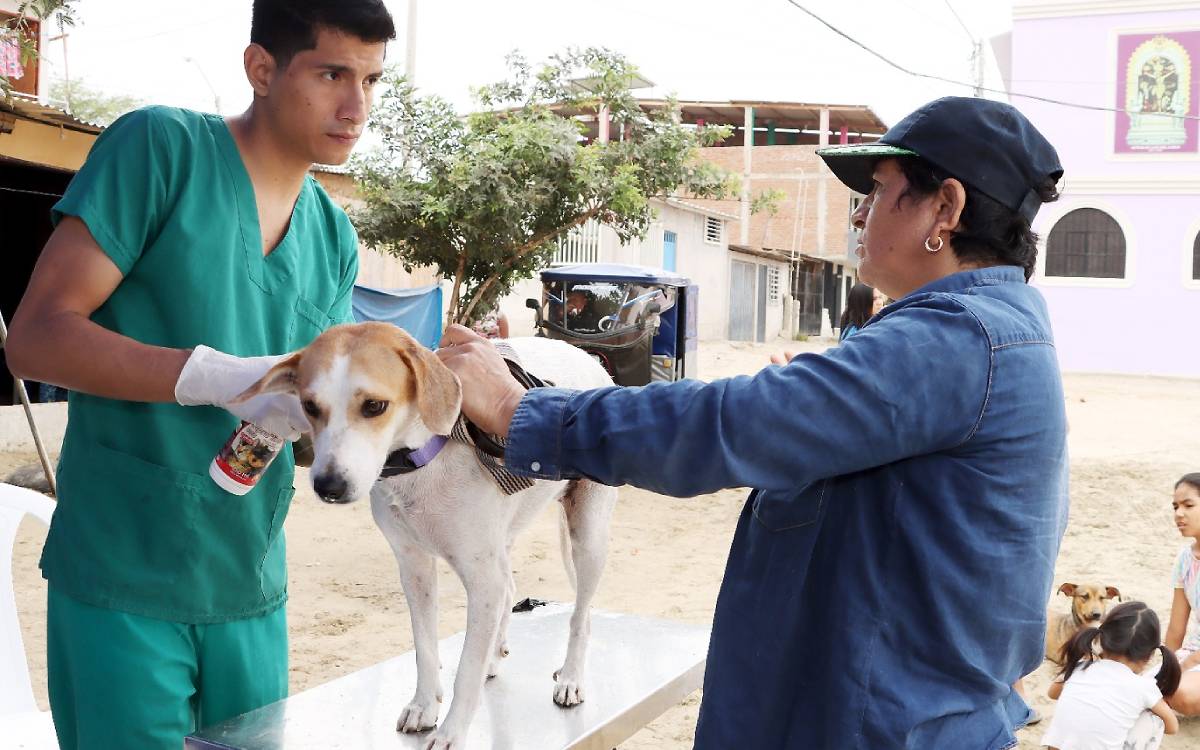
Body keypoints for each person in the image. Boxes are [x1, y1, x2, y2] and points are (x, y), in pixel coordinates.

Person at [436, 96, 1069, 748]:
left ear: (946, 209)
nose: (858, 212)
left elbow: (730, 424)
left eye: (878, 192)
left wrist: (519, 413)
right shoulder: (989, 331)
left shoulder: (957, 338)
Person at [4, 2, 395, 747]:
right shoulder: (160, 151)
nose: (357, 106)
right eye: (332, 73)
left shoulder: (333, 237)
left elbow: (320, 416)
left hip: (247, 579)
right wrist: (204, 375)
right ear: (262, 68)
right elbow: (36, 338)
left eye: (372, 80)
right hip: (125, 574)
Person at [1041, 601, 1180, 750]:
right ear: (1150, 655)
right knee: (1154, 719)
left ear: (1102, 640)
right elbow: (1172, 727)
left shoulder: (1081, 666)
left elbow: (1052, 693)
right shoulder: (1144, 687)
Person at [1165, 472, 1200, 713]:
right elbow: (1176, 628)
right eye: (1175, 506)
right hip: (1194, 649)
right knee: (1146, 685)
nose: (1179, 513)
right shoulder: (1185, 559)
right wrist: (1167, 665)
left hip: (1195, 658)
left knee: (1180, 694)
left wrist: (1187, 664)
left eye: (1189, 505)